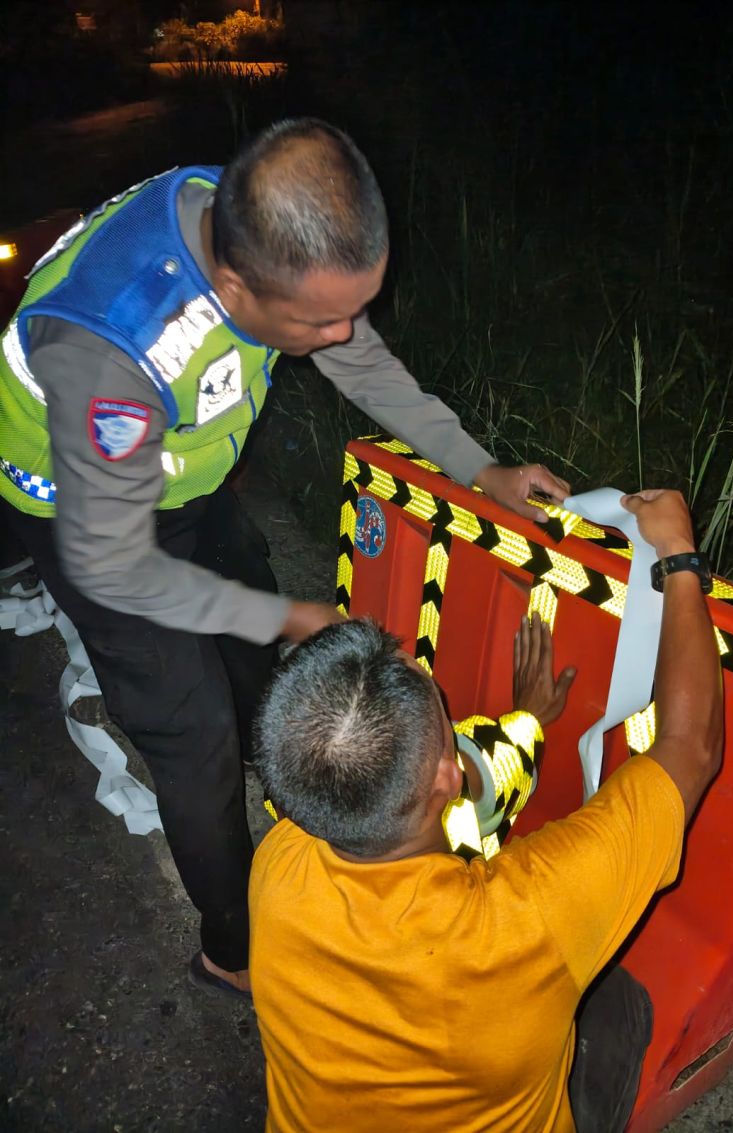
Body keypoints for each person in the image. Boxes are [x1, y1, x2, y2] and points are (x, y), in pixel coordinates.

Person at [0, 118, 570, 996]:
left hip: (177, 476)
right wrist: (294, 616)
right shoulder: (112, 348)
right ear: (233, 286)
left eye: (356, 307)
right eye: (322, 320)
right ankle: (231, 947)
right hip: (87, 511)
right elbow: (118, 562)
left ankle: (302, 789)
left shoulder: (258, 222)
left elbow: (367, 365)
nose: (345, 336)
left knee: (246, 602)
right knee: (193, 733)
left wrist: (480, 467)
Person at [249, 489, 723, 1133]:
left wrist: (523, 723)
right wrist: (678, 556)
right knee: (618, 1005)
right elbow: (690, 749)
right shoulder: (529, 919)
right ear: (449, 775)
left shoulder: (278, 864)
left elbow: (457, 792)